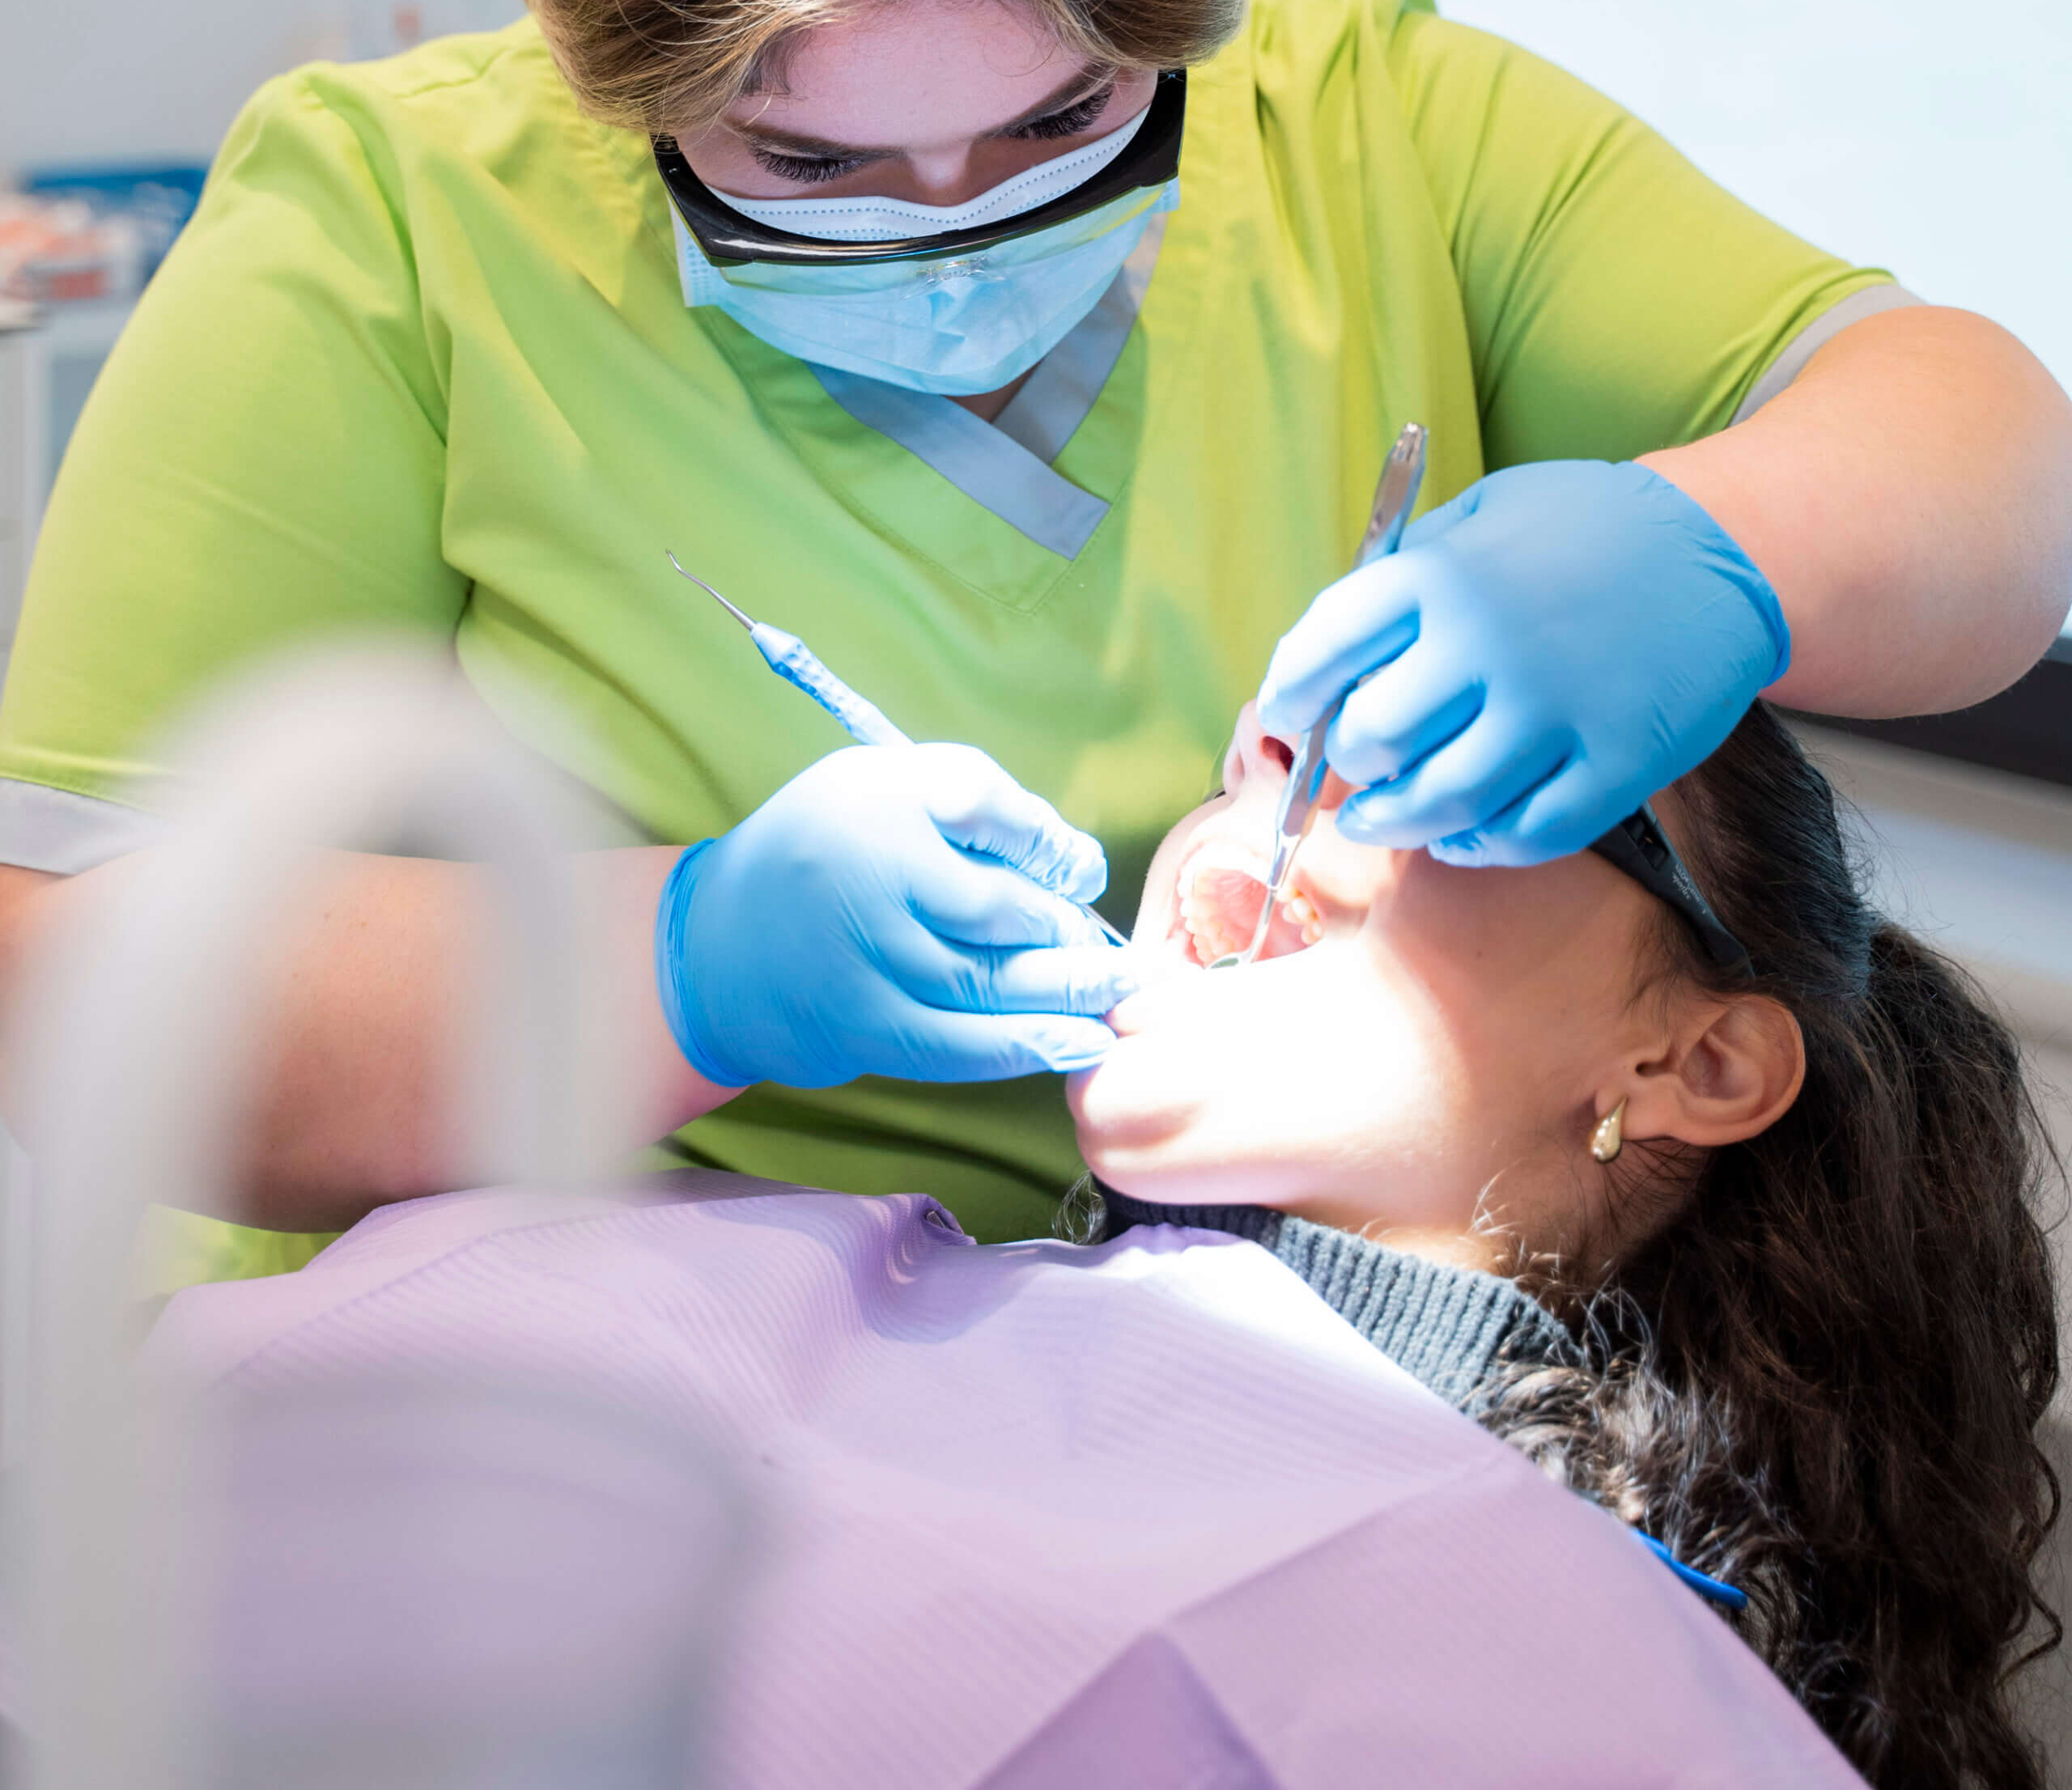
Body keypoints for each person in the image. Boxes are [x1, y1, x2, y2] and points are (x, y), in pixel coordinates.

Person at [1, 0, 2069, 1276]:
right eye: (809, 163)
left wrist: (1716, 548)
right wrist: (680, 965)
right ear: (611, 77)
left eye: (1064, 118)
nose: (954, 223)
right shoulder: (398, 215)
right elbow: (63, 976)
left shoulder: (1378, 130)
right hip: (558, 1397)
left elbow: (1985, 464)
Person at [142, 689, 2057, 1790]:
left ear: (1695, 1061)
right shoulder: (814, 1268)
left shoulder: (1602, 1669)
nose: (1258, 809)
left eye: (1424, 785)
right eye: (1263, 754)